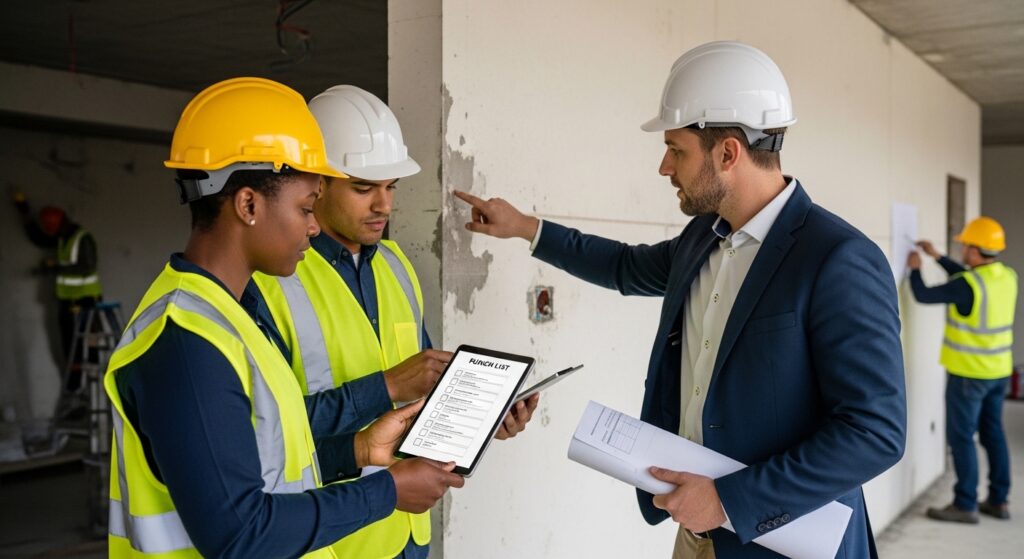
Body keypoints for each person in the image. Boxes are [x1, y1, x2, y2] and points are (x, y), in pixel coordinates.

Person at [454, 41, 906, 558]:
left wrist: (730, 501)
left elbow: (874, 433)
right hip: (698, 531)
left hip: (782, 540)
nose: (664, 168)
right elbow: (625, 266)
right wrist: (527, 229)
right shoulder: (703, 239)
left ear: (728, 153)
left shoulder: (837, 258)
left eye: (676, 149)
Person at [104, 77, 463, 559]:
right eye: (306, 207)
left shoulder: (226, 322)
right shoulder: (184, 343)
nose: (314, 226)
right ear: (248, 204)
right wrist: (386, 491)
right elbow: (240, 534)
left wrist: (356, 452)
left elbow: (271, 464)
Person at [252, 84, 539, 559]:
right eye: (364, 188)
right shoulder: (271, 280)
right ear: (315, 185)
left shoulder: (396, 266)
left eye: (391, 187)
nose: (384, 205)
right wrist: (383, 386)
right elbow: (268, 432)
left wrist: (483, 419)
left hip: (407, 534)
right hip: (335, 537)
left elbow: (423, 396)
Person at [908, 217, 1016, 523]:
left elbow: (924, 294)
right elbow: (967, 280)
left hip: (969, 374)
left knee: (961, 437)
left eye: (965, 244)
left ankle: (965, 503)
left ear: (973, 249)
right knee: (993, 434)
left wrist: (916, 268)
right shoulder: (1006, 276)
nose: (963, 249)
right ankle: (999, 501)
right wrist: (937, 256)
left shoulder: (967, 285)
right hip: (998, 371)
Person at [11, 192, 102, 390]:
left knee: (89, 347)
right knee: (71, 349)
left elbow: (87, 266)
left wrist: (55, 268)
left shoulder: (81, 238)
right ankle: (76, 392)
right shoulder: (63, 239)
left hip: (85, 302)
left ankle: (92, 392)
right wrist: (24, 210)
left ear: (62, 224)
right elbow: (38, 238)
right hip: (68, 301)